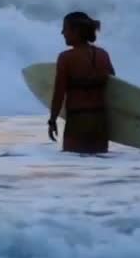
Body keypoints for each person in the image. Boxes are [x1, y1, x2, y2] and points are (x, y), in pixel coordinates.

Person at [49, 11, 114, 154]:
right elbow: (114, 87)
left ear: (76, 31)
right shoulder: (103, 55)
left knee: (75, 167)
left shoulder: (66, 58)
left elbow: (59, 93)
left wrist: (52, 120)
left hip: (78, 121)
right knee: (101, 167)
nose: (62, 33)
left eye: (65, 28)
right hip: (100, 122)